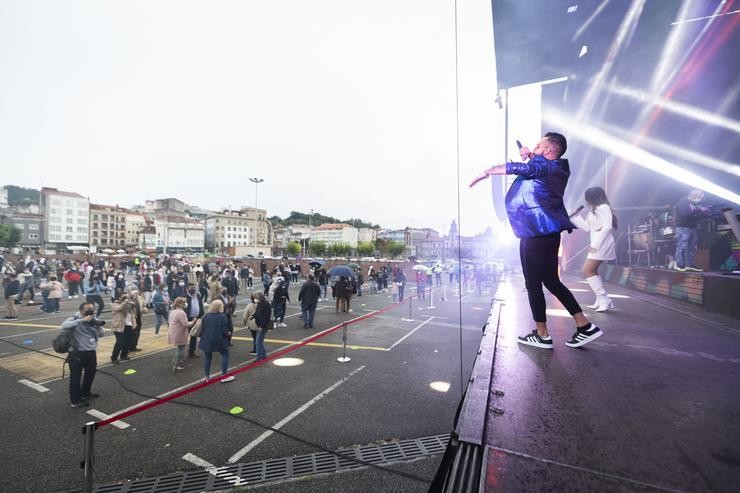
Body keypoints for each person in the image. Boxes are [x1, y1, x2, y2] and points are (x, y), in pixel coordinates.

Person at [470, 132, 602, 348]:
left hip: (535, 231)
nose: (534, 147)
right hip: (548, 232)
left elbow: (523, 169)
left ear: (548, 150)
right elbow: (537, 167)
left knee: (533, 283)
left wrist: (488, 172)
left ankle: (542, 334)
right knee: (551, 280)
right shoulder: (556, 167)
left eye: (539, 146)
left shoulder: (545, 166)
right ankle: (584, 325)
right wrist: (533, 154)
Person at [570, 187, 617, 312]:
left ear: (592, 197)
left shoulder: (604, 208)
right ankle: (601, 299)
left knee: (587, 270)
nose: (586, 201)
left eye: (587, 198)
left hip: (603, 244)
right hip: (596, 244)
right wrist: (575, 217)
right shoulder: (593, 210)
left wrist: (596, 244)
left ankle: (604, 299)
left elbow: (607, 227)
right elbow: (587, 227)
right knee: (592, 271)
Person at [60, 302, 105, 407]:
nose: (90, 311)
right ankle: (75, 401)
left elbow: (102, 334)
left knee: (90, 374)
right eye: (88, 309)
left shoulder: (93, 319)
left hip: (91, 352)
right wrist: (81, 320)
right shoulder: (75, 318)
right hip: (77, 353)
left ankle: (85, 393)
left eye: (92, 308)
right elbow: (63, 326)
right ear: (81, 310)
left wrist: (97, 325)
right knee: (76, 377)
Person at [199, 299, 234, 382]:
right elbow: (224, 330)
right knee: (225, 355)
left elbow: (202, 327)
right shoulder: (222, 316)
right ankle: (224, 376)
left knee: (207, 357)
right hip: (219, 340)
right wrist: (229, 334)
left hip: (206, 339)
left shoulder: (206, 316)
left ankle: (207, 377)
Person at [674, 189, 706, 272]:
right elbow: (685, 213)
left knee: (691, 247)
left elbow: (692, 215)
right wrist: (699, 210)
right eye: (699, 197)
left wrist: (702, 214)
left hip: (692, 228)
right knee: (682, 246)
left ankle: (690, 264)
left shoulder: (693, 204)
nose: (700, 199)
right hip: (683, 228)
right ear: (694, 196)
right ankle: (680, 265)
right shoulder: (683, 202)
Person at [168, 297, 193, 371]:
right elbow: (185, 324)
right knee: (181, 349)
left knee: (179, 348)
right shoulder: (181, 312)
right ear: (180, 304)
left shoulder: (173, 311)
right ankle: (176, 364)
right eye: (183, 303)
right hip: (179, 333)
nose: (185, 304)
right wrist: (193, 322)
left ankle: (176, 361)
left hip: (173, 332)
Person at [110, 292, 135, 363]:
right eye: (123, 297)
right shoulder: (115, 304)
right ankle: (114, 357)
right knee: (120, 342)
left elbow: (133, 308)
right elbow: (119, 308)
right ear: (119, 297)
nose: (125, 298)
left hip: (128, 325)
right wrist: (124, 302)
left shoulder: (128, 303)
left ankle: (123, 355)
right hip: (119, 326)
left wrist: (131, 301)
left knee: (127, 341)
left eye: (126, 297)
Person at [185, 283, 204, 358]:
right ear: (187, 289)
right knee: (184, 336)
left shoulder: (198, 296)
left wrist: (201, 316)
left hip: (196, 319)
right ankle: (180, 354)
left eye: (193, 287)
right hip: (187, 319)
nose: (193, 289)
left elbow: (201, 306)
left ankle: (191, 352)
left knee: (194, 336)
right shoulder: (185, 297)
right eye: (191, 287)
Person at [252, 291, 272, 360]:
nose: (255, 299)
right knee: (260, 341)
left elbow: (266, 317)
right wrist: (253, 316)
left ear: (260, 297)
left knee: (258, 342)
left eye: (256, 298)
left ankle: (259, 357)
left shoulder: (266, 304)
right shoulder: (260, 303)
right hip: (259, 325)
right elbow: (258, 312)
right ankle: (263, 355)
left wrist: (261, 326)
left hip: (263, 326)